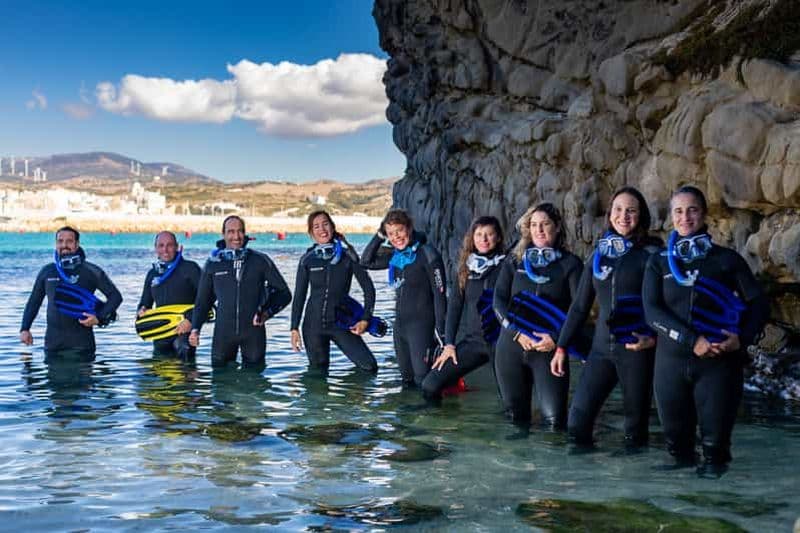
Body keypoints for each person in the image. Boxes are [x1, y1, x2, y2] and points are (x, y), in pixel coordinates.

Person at [642, 185, 768, 475]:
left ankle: (717, 510)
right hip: (670, 367)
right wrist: (691, 339)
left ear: (704, 214)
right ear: (671, 217)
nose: (685, 217)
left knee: (715, 454)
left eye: (692, 210)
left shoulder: (726, 260)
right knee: (678, 451)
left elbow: (759, 304)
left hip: (719, 366)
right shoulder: (657, 262)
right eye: (678, 211)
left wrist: (742, 340)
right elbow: (651, 311)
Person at [552, 187, 660, 448]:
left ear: (641, 216)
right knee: (577, 423)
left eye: (631, 210)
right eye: (618, 210)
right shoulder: (598, 255)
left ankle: (634, 485)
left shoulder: (653, 254)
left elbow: (667, 305)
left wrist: (655, 338)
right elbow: (579, 307)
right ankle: (588, 485)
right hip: (600, 351)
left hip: (636, 350)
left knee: (635, 430)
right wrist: (561, 346)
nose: (624, 216)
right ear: (610, 215)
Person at [492, 203, 582, 427]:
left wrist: (557, 338)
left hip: (548, 349)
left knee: (554, 422)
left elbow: (580, 310)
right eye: (533, 225)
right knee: (516, 420)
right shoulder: (515, 260)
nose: (539, 230)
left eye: (545, 224)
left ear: (558, 227)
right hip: (511, 347)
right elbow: (498, 300)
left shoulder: (570, 264)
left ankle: (550, 463)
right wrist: (514, 331)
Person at [189, 215, 291, 369]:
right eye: (231, 232)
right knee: (220, 384)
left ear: (245, 233)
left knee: (255, 385)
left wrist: (266, 313)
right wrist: (195, 328)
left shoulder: (260, 261)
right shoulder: (213, 264)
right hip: (223, 334)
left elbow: (284, 293)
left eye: (240, 231)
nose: (236, 236)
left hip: (253, 334)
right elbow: (203, 301)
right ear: (223, 234)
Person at [421, 216, 506, 400]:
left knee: (510, 401)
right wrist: (449, 344)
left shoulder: (507, 266)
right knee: (430, 385)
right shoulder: (465, 269)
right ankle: (444, 426)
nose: (483, 239)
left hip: (501, 344)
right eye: (479, 234)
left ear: (498, 238)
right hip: (473, 343)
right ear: (472, 238)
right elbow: (454, 308)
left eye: (489, 234)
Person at [361, 209, 446, 386]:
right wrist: (379, 235)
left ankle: (430, 413)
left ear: (409, 228)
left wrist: (442, 334)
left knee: (423, 378)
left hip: (421, 325)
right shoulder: (395, 257)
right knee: (406, 380)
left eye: (399, 230)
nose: (396, 237)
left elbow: (440, 296)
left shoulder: (427, 254)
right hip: (400, 327)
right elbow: (366, 261)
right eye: (390, 233)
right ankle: (408, 413)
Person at [290, 211, 378, 373]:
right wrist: (294, 327)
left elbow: (369, 289)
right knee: (318, 374)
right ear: (311, 233)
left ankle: (349, 397)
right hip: (312, 326)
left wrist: (365, 319)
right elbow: (299, 296)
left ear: (332, 227)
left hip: (341, 322)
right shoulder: (307, 259)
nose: (322, 229)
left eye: (325, 224)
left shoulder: (348, 256)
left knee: (369, 367)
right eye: (316, 226)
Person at [20, 226, 122, 357]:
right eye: (60, 241)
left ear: (77, 244)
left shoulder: (90, 271)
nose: (64, 245)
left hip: (82, 347)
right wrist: (25, 329)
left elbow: (116, 297)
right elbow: (34, 302)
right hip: (53, 346)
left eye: (69, 241)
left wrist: (99, 318)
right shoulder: (47, 271)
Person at [137, 231, 201, 359]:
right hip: (161, 334)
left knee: (184, 374)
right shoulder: (153, 274)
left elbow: (206, 299)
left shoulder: (190, 269)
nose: (165, 250)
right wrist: (141, 311)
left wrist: (190, 320)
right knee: (161, 375)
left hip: (184, 333)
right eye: (161, 246)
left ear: (177, 247)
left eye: (169, 245)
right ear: (155, 248)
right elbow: (145, 302)